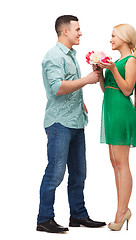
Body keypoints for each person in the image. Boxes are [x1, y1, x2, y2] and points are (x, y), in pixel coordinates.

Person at [37, 15, 106, 233]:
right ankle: (44, 219)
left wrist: (81, 101)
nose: (80, 32)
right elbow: (57, 87)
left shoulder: (71, 55)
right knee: (55, 173)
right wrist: (86, 80)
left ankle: (78, 215)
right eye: (77, 29)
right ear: (64, 31)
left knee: (79, 173)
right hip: (59, 123)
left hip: (76, 122)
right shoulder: (53, 56)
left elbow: (68, 85)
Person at [97, 24, 136, 231]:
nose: (111, 39)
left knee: (122, 163)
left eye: (113, 36)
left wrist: (113, 68)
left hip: (122, 114)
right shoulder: (118, 62)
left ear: (124, 38)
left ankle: (122, 212)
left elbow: (126, 90)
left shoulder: (130, 61)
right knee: (115, 163)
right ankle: (121, 209)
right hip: (111, 113)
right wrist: (99, 74)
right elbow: (108, 90)